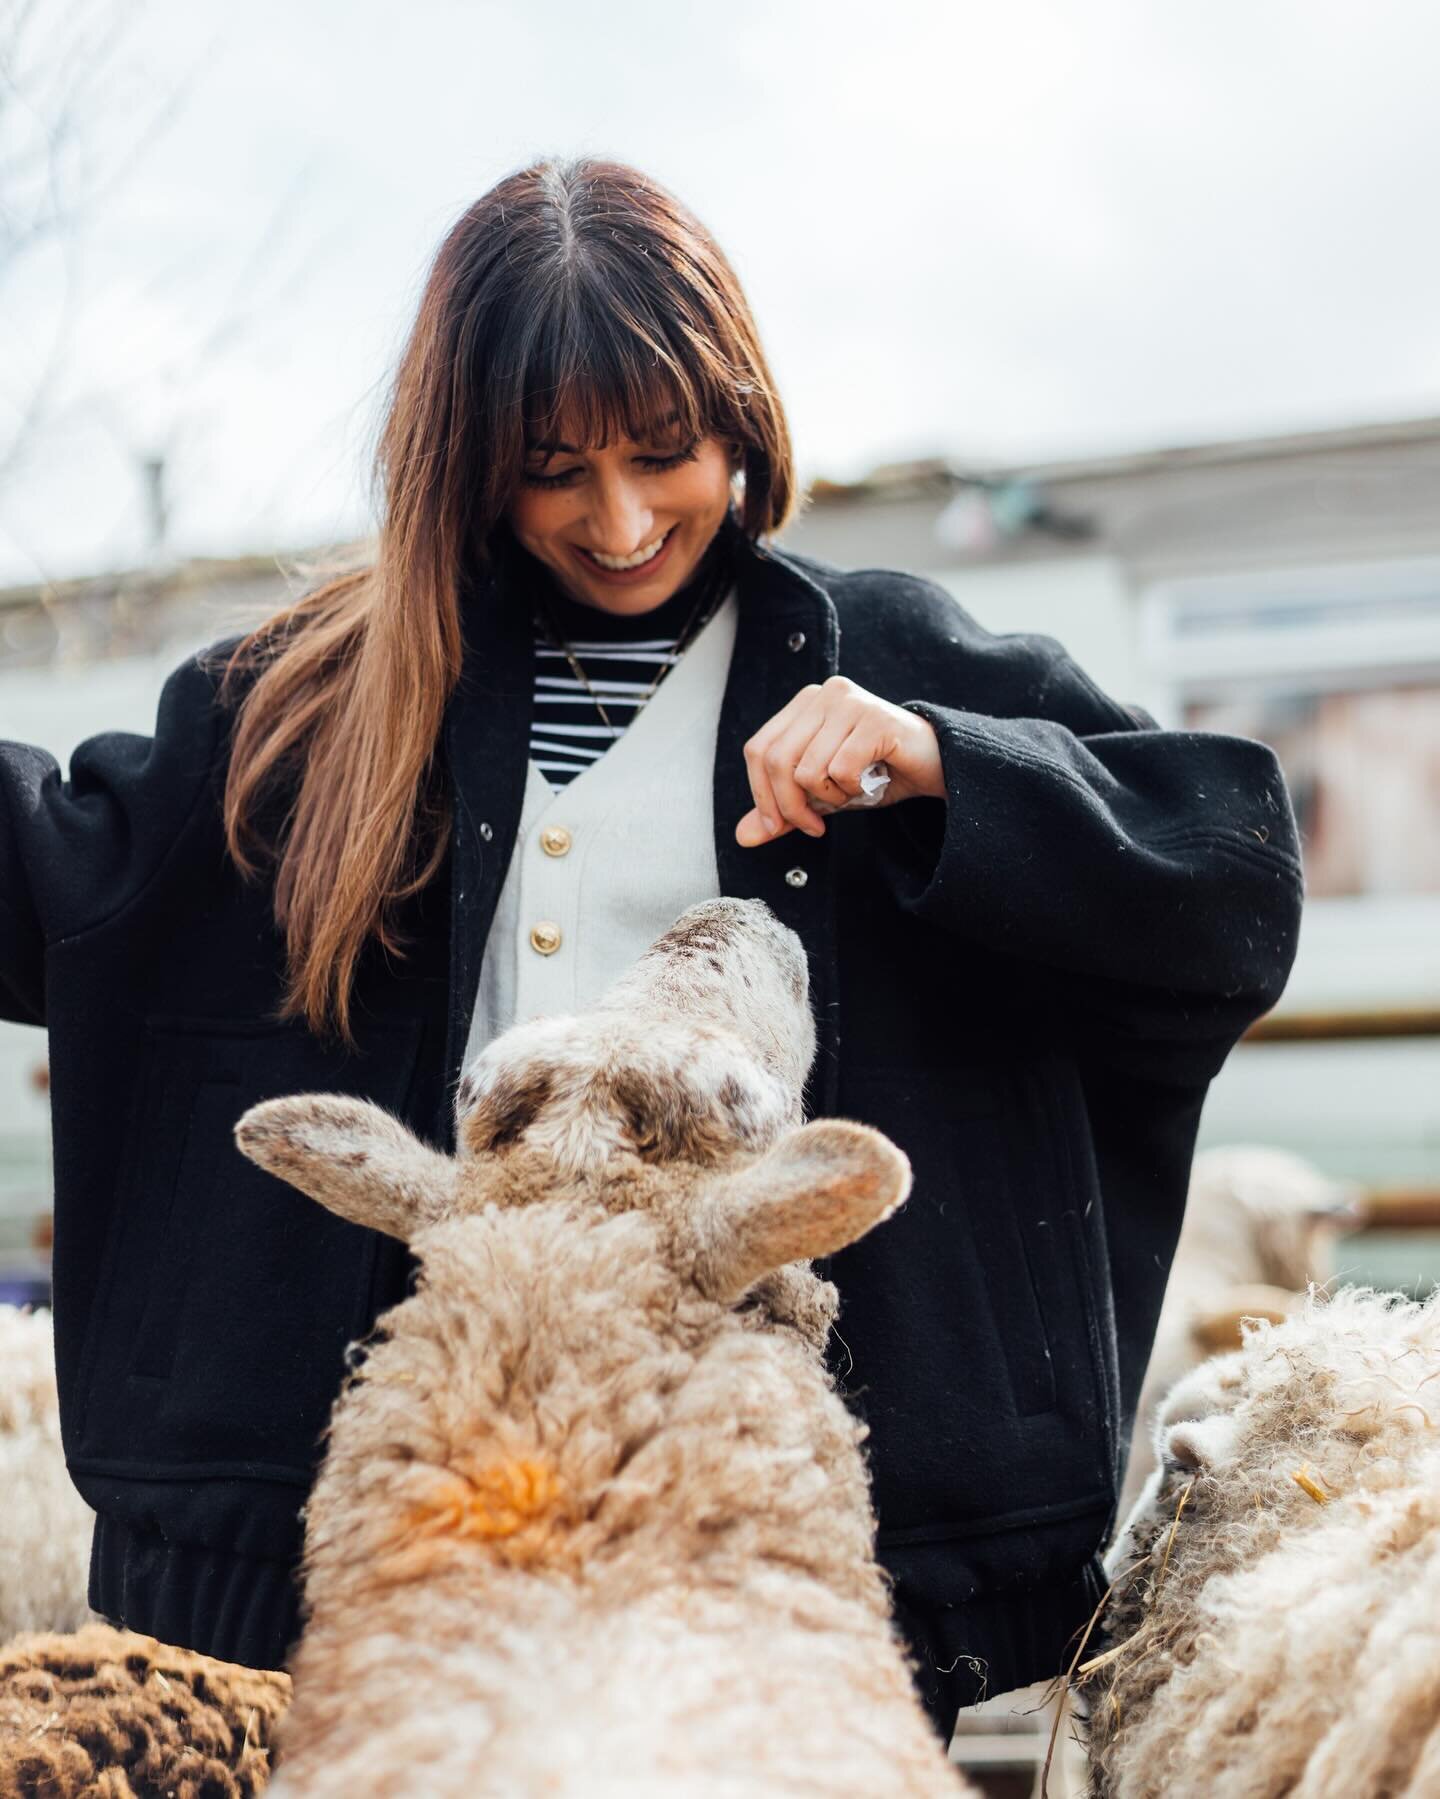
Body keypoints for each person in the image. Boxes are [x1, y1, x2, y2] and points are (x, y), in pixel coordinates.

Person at [0, 156, 1303, 1738]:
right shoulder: (307, 709)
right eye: (553, 470)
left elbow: (1225, 881)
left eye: (663, 452)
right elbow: (71, 886)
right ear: (468, 463)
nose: (619, 520)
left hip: (797, 1522)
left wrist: (952, 768)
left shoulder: (891, 662)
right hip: (428, 1501)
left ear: (739, 419)